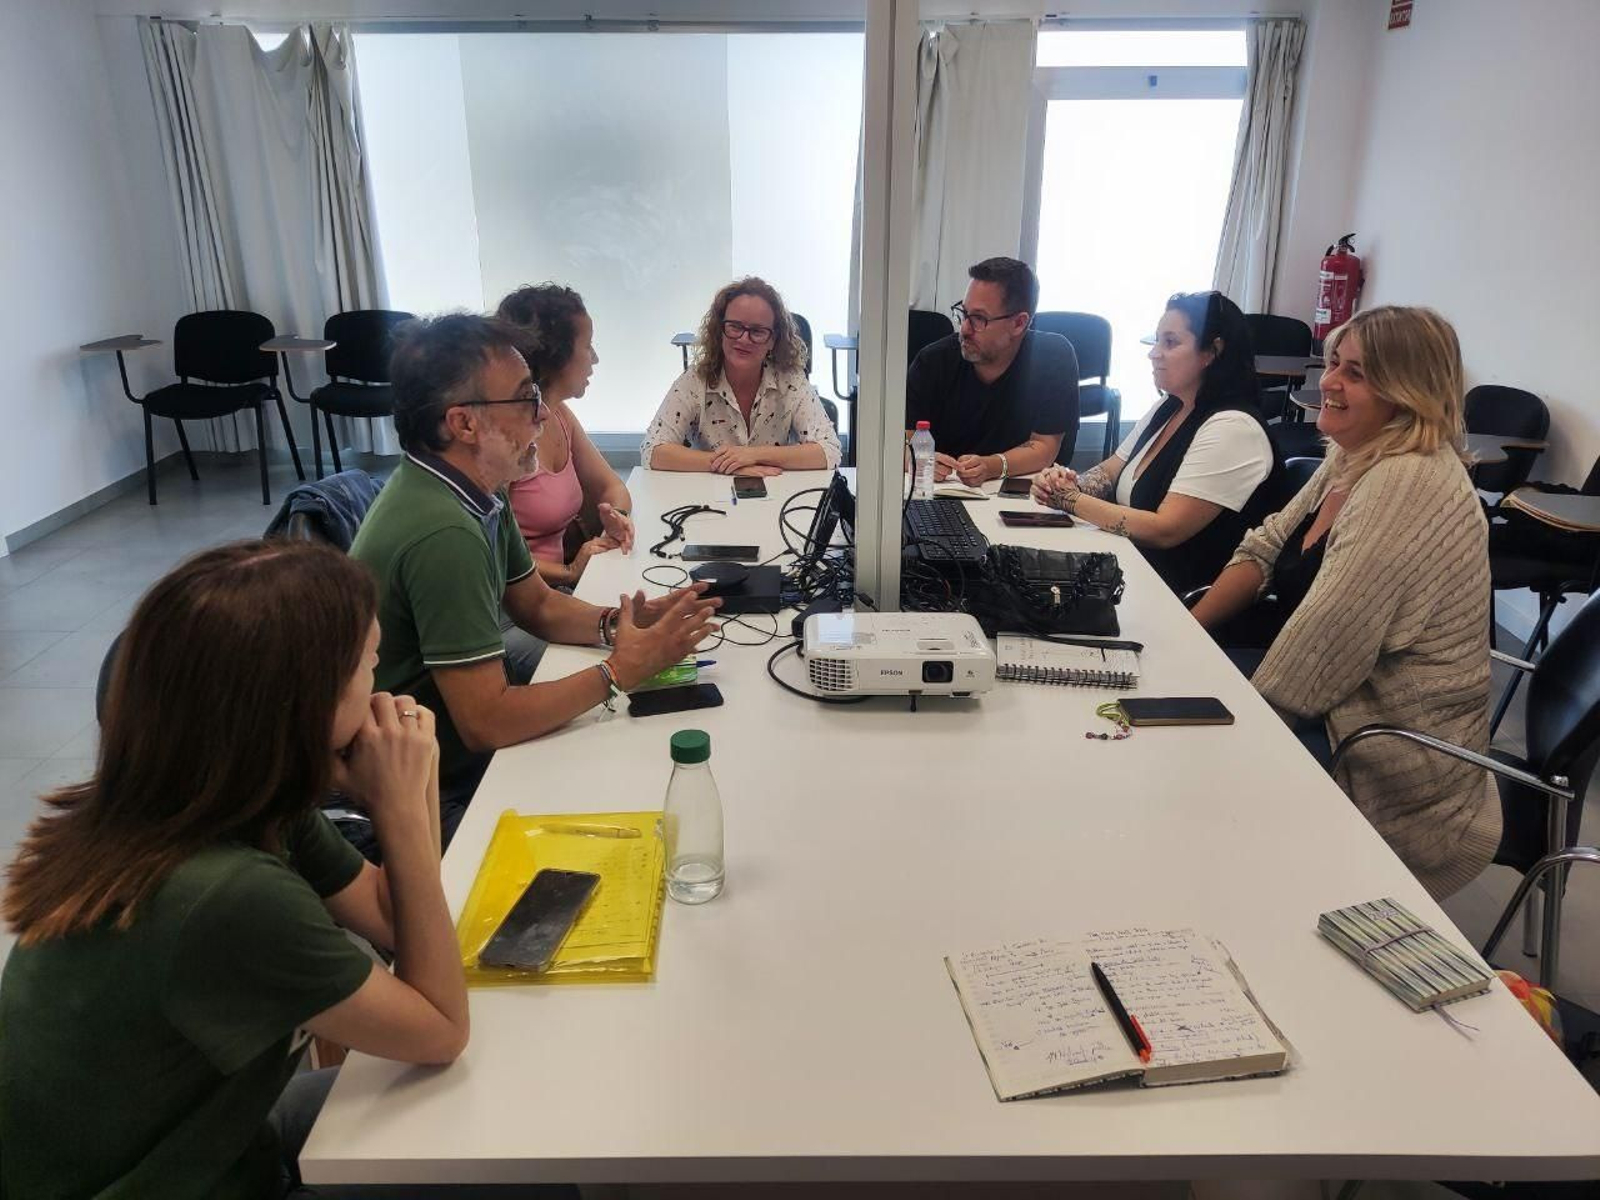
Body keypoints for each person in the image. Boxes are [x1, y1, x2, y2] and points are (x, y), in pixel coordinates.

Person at [0, 540, 468, 1198]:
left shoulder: (224, 798)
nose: (382, 689)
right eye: (369, 667)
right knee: (525, 1168)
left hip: (209, 1142)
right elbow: (441, 1028)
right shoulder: (224, 893)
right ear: (305, 706)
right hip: (173, 1180)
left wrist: (414, 785)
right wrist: (398, 805)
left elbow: (395, 919)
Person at [351, 314, 718, 842]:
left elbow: (537, 606)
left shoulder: (480, 482)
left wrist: (622, 623)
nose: (544, 415)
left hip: (448, 742)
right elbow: (487, 722)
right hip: (424, 781)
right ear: (464, 424)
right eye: (526, 400)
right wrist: (617, 673)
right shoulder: (443, 533)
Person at [1190, 306, 1497, 900]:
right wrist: (1186, 631)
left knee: (1191, 771)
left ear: (1406, 392)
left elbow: (1324, 644)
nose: (1328, 380)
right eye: (1334, 362)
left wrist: (1223, 737)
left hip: (1389, 749)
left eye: (1355, 373)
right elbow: (1267, 544)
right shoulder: (1353, 454)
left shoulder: (1408, 479)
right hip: (1336, 698)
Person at [1031, 291, 1281, 595]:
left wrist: (1070, 499)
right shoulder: (1171, 405)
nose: (1154, 353)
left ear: (1212, 352)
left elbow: (1165, 530)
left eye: (1171, 342)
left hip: (1175, 596)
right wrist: (1068, 482)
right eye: (1158, 340)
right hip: (1132, 573)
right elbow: (1111, 471)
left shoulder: (1233, 428)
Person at [497, 283, 635, 587]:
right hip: (519, 605)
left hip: (559, 587)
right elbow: (495, 557)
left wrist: (616, 516)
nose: (595, 358)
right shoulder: (505, 440)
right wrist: (570, 573)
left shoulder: (558, 414)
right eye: (588, 346)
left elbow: (612, 486)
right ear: (556, 356)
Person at [904, 256, 1079, 485]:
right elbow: (904, 441)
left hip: (1023, 495)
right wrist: (919, 460)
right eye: (963, 313)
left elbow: (1044, 448)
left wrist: (990, 466)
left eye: (978, 319)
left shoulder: (1053, 358)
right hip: (945, 493)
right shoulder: (933, 361)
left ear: (1018, 323)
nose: (964, 329)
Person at [641, 276, 842, 475]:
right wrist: (732, 463)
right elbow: (652, 451)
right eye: (735, 327)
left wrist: (754, 455)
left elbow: (830, 450)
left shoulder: (790, 380)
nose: (744, 339)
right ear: (720, 330)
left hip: (776, 492)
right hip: (710, 494)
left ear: (773, 340)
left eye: (757, 331)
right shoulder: (695, 380)